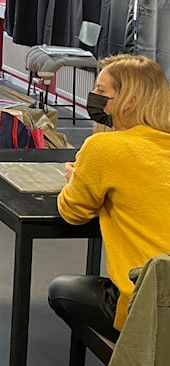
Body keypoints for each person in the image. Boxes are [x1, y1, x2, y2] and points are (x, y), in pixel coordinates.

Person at [48, 54, 170, 344]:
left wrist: (77, 179)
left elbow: (73, 212)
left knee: (60, 290)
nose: (94, 95)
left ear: (129, 101)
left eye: (101, 91)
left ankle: (129, 349)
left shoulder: (103, 147)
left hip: (146, 302)